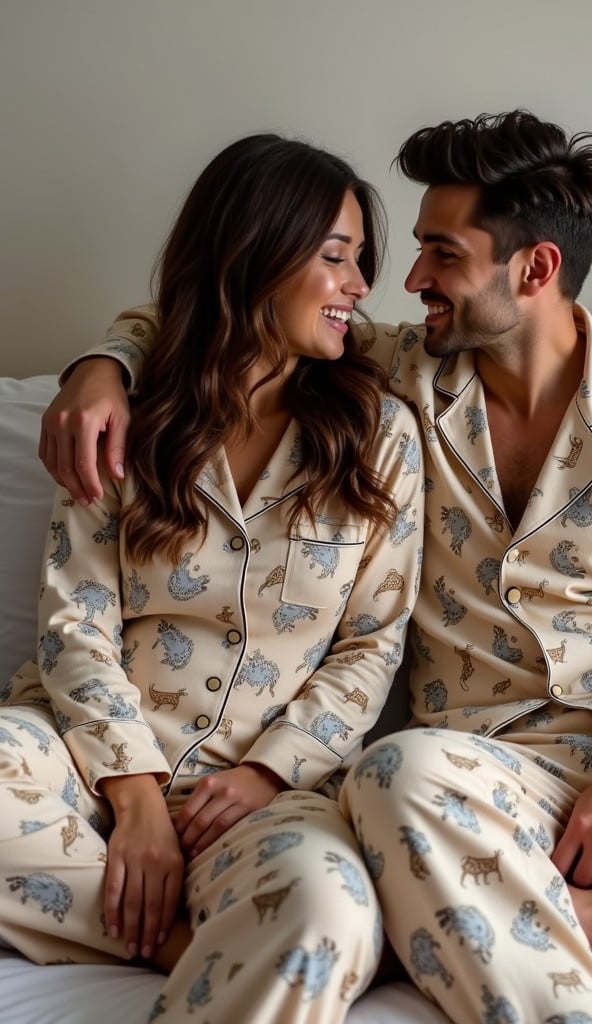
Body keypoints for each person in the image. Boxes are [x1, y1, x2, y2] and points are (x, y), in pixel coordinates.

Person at [38, 111, 592, 1024]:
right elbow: (236, 303)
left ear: (535, 269)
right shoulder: (400, 375)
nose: (408, 279)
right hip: (476, 770)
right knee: (396, 773)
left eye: (442, 254)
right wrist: (102, 365)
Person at [1, 132, 424, 1023]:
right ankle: (181, 943)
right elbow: (73, 619)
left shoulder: (378, 431)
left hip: (264, 788)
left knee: (326, 912)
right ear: (256, 250)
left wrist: (270, 775)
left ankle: (229, 934)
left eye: (362, 262)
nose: (359, 286)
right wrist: (139, 803)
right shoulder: (129, 410)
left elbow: (371, 646)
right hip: (83, 763)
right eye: (337, 257)